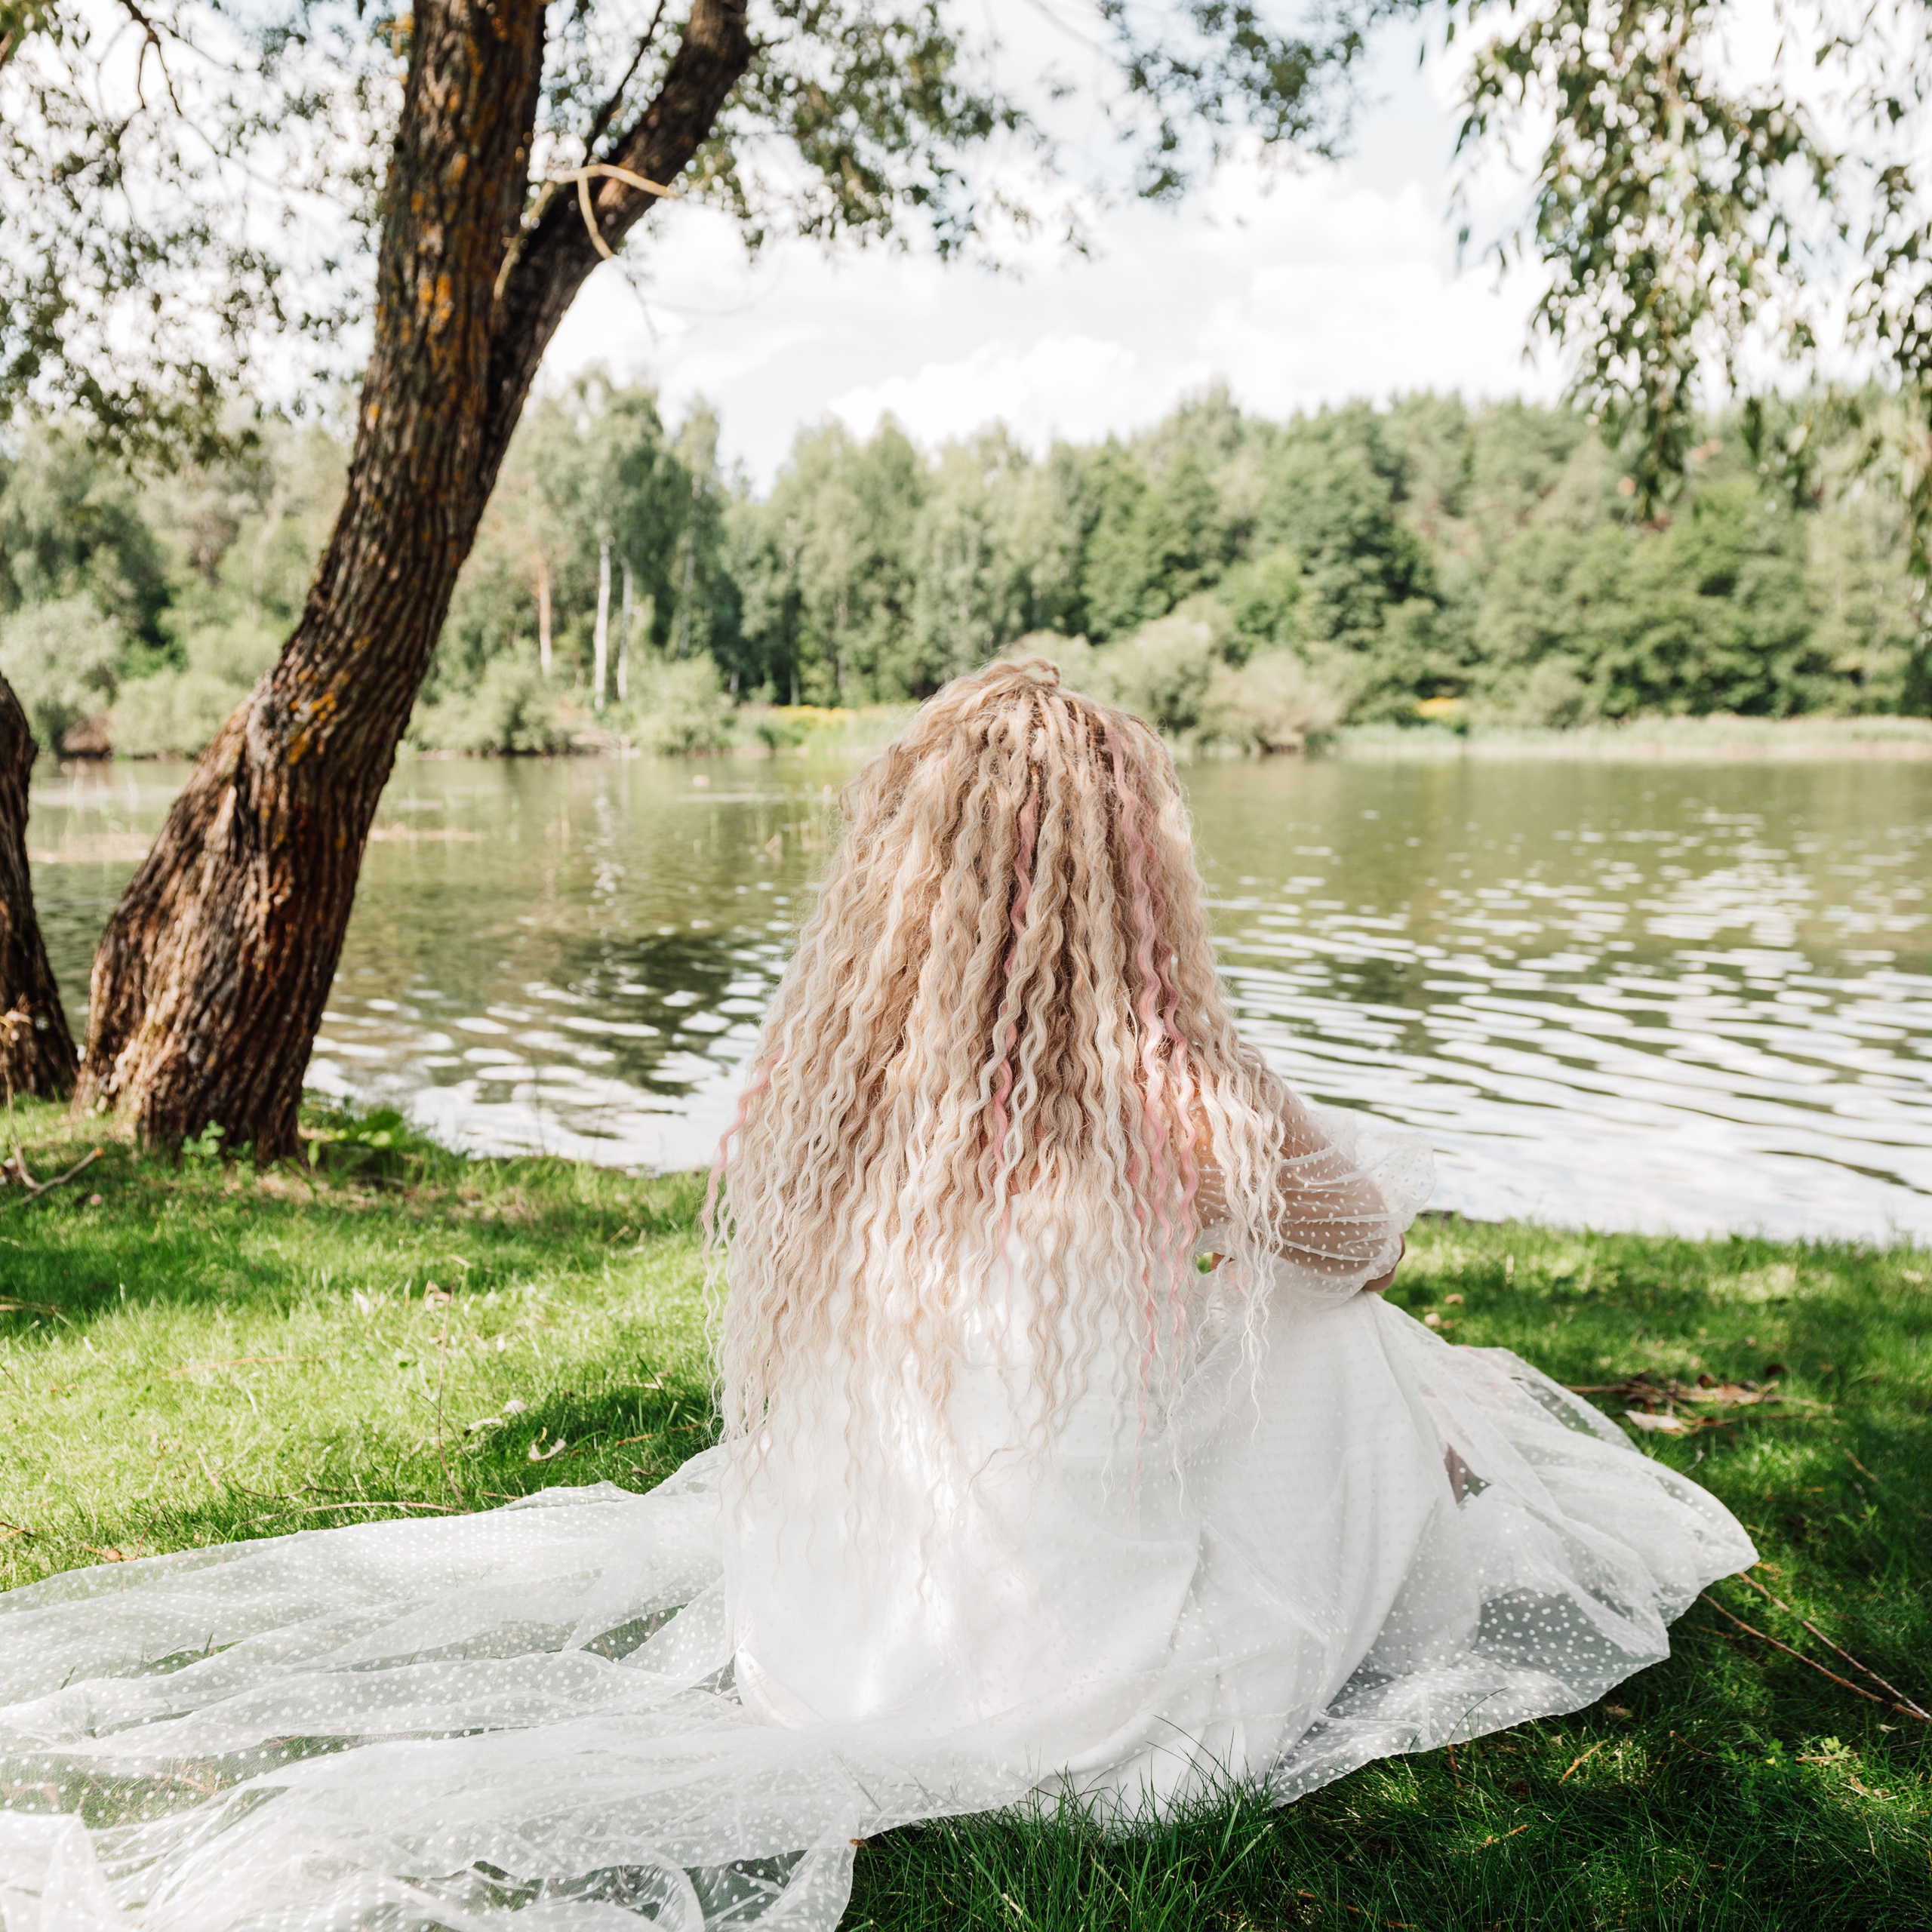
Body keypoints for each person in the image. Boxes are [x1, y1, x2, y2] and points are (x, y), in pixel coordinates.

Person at [0, 660, 1754, 1931]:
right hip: (1072, 1692)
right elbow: (1366, 1246)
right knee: (1341, 1327)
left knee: (1260, 1311)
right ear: (1125, 868)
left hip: (831, 1639)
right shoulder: (1172, 1067)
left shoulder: (838, 1067)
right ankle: (1416, 1504)